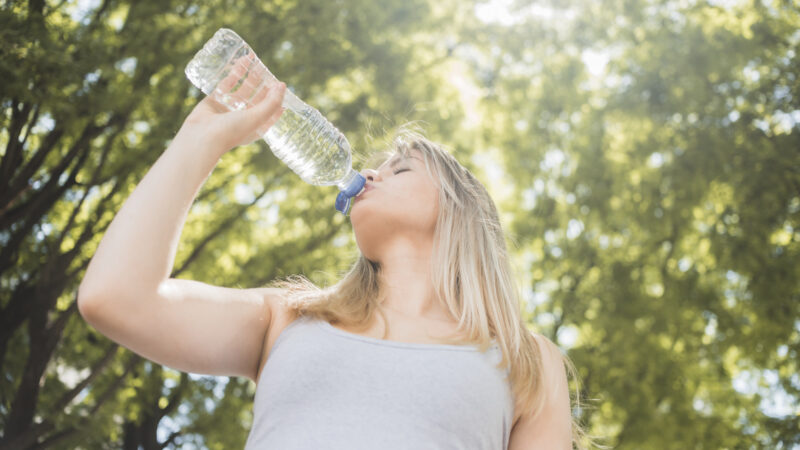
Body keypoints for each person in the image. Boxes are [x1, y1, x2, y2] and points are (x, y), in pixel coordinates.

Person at [78, 80, 584, 449]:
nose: (368, 172)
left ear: (459, 210)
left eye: (399, 166)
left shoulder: (527, 360)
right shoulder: (288, 318)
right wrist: (200, 137)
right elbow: (116, 298)